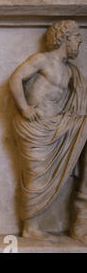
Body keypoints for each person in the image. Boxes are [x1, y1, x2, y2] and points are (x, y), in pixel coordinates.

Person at [9, 20, 86, 243]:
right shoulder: (42, 59)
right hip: (35, 127)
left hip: (57, 125)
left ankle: (82, 209)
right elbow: (16, 78)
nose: (80, 41)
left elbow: (78, 100)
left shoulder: (70, 72)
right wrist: (24, 108)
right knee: (37, 176)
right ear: (65, 38)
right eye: (77, 37)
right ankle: (30, 227)